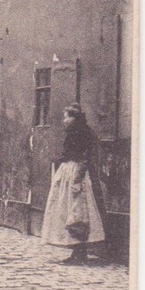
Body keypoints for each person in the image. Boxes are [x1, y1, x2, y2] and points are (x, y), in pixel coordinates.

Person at [41, 103, 106, 264]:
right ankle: (77, 252)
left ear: (74, 118)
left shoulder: (81, 132)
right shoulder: (75, 131)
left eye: (66, 117)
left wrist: (77, 181)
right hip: (70, 172)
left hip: (76, 174)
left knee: (77, 213)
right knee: (71, 211)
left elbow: (84, 158)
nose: (64, 120)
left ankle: (80, 253)